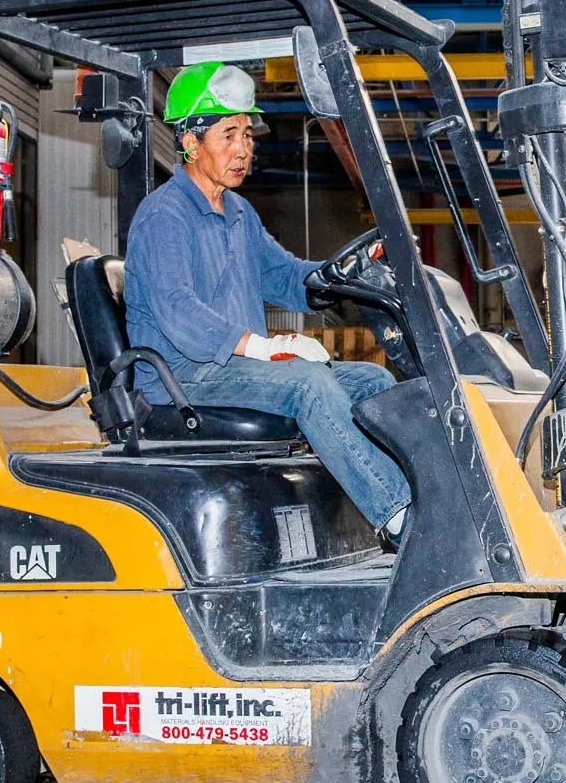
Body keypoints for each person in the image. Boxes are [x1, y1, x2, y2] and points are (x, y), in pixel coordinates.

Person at [122, 62, 412, 541]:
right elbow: (178, 311)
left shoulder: (237, 212)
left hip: (231, 367)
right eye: (229, 135)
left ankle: (395, 496)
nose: (243, 150)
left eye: (247, 136)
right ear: (191, 144)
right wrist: (263, 347)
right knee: (307, 385)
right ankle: (400, 517)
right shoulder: (164, 216)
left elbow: (282, 275)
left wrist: (337, 277)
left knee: (374, 380)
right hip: (184, 374)